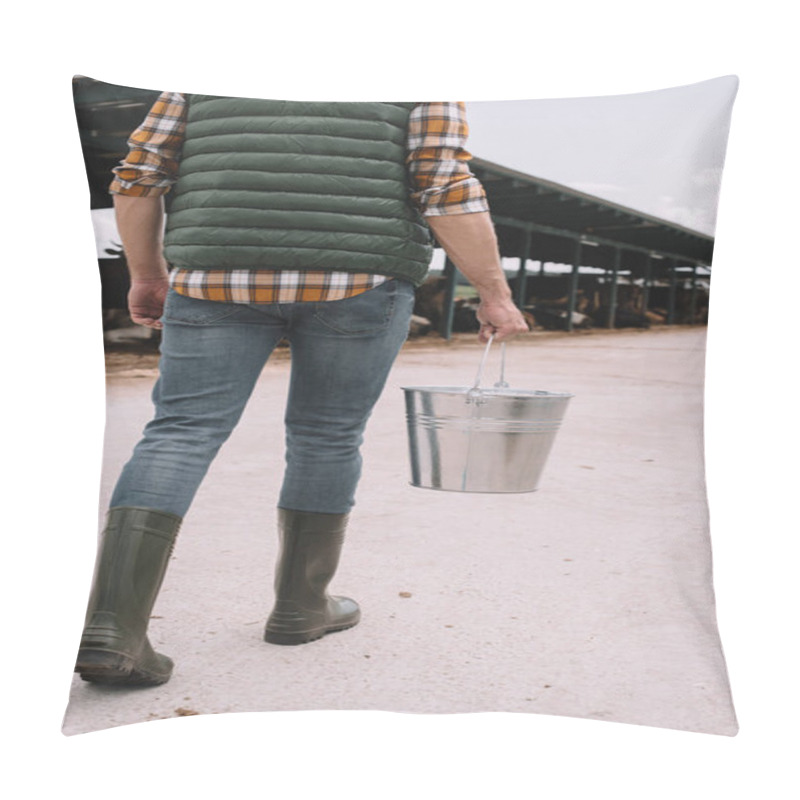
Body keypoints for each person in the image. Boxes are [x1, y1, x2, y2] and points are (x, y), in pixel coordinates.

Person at [74, 94, 529, 687]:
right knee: (328, 436)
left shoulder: (201, 65)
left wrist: (148, 275)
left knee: (180, 433)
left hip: (213, 274)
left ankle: (114, 625)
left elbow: (140, 173)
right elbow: (444, 184)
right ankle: (300, 606)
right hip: (360, 278)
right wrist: (493, 290)